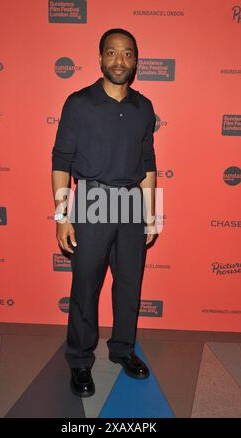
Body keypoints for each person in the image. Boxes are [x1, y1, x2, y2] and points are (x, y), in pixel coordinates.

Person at [51, 28, 158, 398]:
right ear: (100, 59)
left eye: (127, 54)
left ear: (135, 61)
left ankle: (123, 350)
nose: (119, 60)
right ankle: (80, 360)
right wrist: (62, 215)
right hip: (93, 199)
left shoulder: (144, 107)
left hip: (130, 202)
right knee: (85, 286)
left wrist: (152, 213)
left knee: (129, 285)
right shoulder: (79, 103)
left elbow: (148, 163)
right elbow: (61, 158)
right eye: (112, 53)